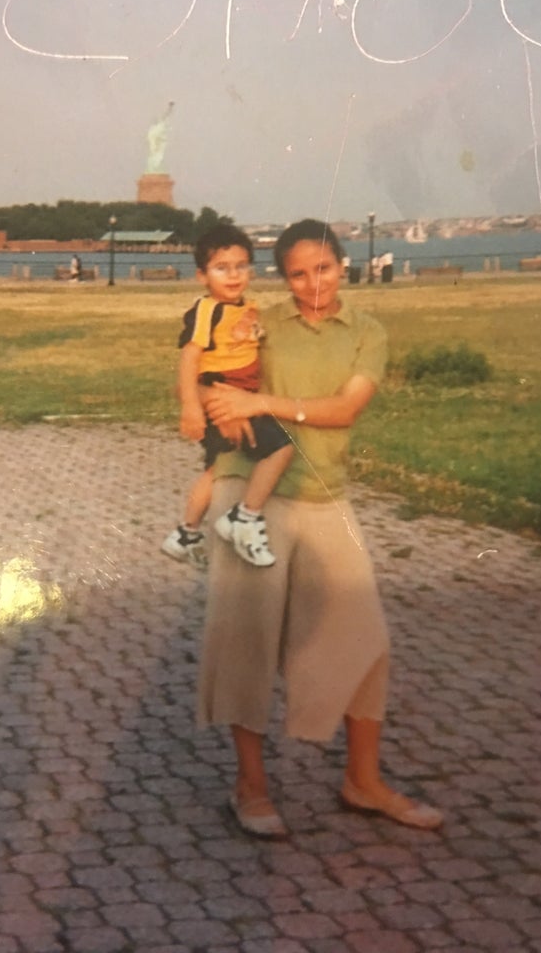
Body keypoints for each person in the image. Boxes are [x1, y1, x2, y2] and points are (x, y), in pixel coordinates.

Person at [198, 219, 443, 838]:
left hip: (324, 496)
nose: (314, 284)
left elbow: (345, 409)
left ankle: (363, 782)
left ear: (343, 266)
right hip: (250, 490)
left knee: (367, 643)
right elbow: (213, 380)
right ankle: (250, 787)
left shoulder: (367, 332)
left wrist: (266, 406)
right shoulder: (261, 323)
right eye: (299, 273)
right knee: (247, 641)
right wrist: (222, 401)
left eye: (325, 269)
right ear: (283, 278)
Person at [162, 225, 294, 568]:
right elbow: (190, 358)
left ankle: (186, 533)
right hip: (222, 392)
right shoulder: (207, 309)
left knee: (215, 469)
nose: (233, 275)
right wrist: (192, 407)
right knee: (281, 449)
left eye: (241, 266)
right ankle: (245, 518)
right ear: (202, 277)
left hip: (243, 395)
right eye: (222, 268)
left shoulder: (245, 306)